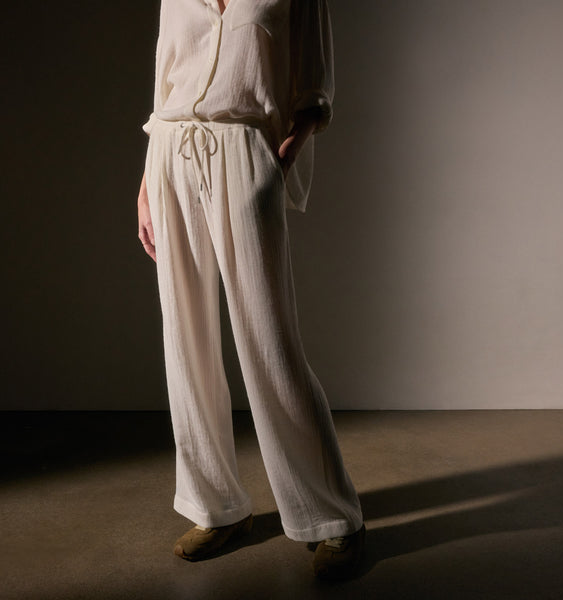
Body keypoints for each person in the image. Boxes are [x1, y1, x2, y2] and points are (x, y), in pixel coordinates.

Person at [137, 0, 365, 580]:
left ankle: (332, 517)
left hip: (244, 149)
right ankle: (215, 507)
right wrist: (146, 183)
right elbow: (165, 79)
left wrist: (280, 157)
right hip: (172, 154)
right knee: (184, 341)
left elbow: (314, 84)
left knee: (270, 342)